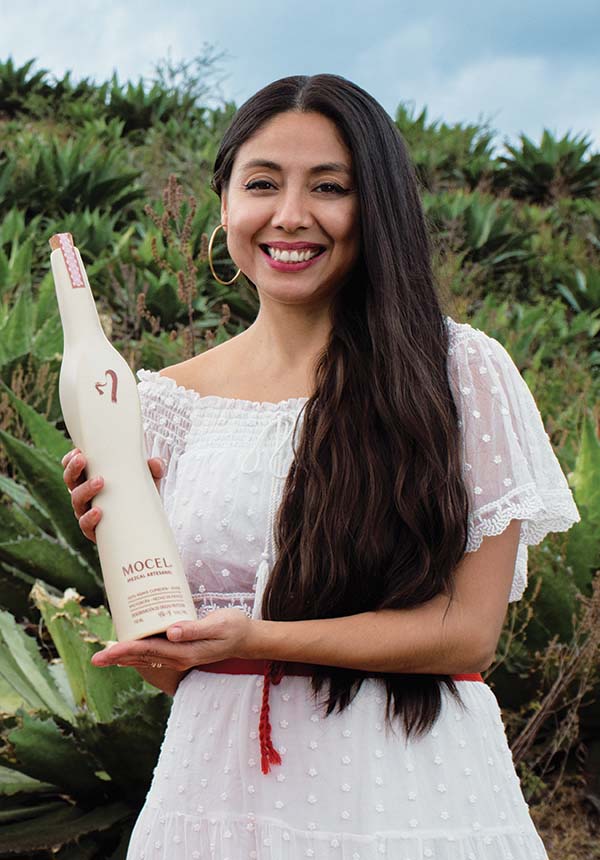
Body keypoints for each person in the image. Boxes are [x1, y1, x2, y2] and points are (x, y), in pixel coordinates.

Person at [62, 74, 580, 860]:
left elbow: (467, 636)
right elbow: (182, 671)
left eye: (329, 186)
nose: (290, 215)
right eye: (262, 183)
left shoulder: (456, 371)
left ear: (377, 209)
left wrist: (257, 633)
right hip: (214, 791)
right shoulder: (162, 403)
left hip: (404, 790)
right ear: (226, 206)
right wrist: (132, 573)